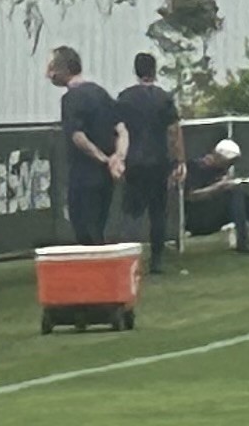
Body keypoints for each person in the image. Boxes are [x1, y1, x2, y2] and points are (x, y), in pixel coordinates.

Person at [48, 45, 125, 247]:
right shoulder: (101, 93)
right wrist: (118, 157)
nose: (49, 75)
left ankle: (95, 272)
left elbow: (78, 136)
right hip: (106, 176)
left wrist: (103, 158)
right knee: (98, 224)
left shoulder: (71, 99)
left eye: (52, 68)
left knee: (84, 228)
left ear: (64, 69)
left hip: (84, 174)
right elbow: (122, 130)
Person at [115, 51, 184, 268]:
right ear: (154, 71)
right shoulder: (164, 98)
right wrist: (179, 160)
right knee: (157, 211)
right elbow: (174, 132)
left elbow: (118, 129)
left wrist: (118, 158)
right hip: (158, 160)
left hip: (134, 160)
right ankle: (157, 259)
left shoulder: (125, 98)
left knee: (131, 211)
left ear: (136, 71)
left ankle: (128, 258)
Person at [183, 133, 249, 252]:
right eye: (228, 163)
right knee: (235, 194)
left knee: (245, 197)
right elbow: (191, 196)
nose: (229, 166)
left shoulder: (220, 170)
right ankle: (243, 243)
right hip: (197, 218)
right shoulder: (194, 167)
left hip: (212, 214)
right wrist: (219, 187)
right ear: (218, 157)